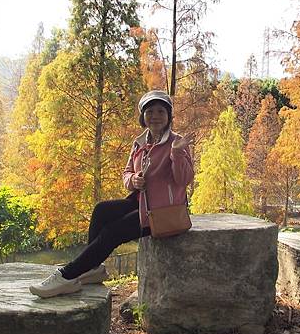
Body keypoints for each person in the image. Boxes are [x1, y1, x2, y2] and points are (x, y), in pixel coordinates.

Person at [30, 90, 195, 298]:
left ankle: (67, 276)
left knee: (112, 232)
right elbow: (126, 173)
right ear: (142, 116)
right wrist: (133, 179)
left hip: (163, 212)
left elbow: (183, 180)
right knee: (102, 210)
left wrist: (178, 153)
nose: (155, 116)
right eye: (150, 111)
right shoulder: (140, 143)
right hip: (141, 202)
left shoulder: (177, 143)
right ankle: (92, 269)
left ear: (169, 116)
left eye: (161, 111)